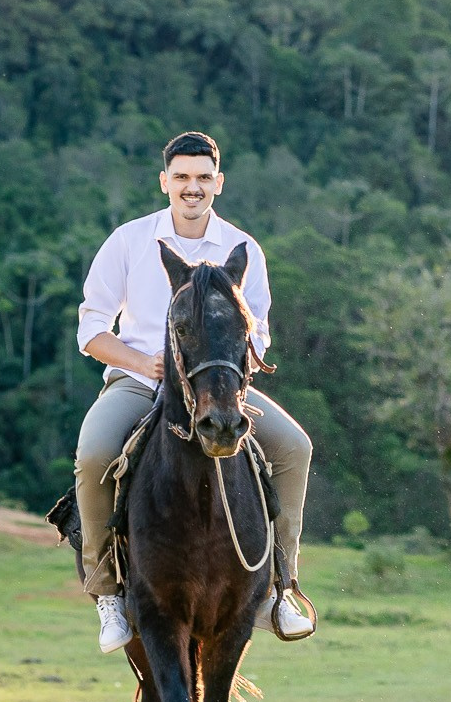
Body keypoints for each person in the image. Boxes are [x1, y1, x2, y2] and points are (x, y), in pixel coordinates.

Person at [74, 130, 315, 651]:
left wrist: (227, 373)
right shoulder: (129, 241)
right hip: (141, 381)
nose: (192, 187)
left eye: (203, 177)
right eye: (182, 176)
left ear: (218, 183)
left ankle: (281, 589)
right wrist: (142, 362)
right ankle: (107, 593)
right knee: (94, 454)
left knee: (295, 447)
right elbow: (91, 330)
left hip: (218, 385)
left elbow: (258, 331)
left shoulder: (242, 248)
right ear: (164, 181)